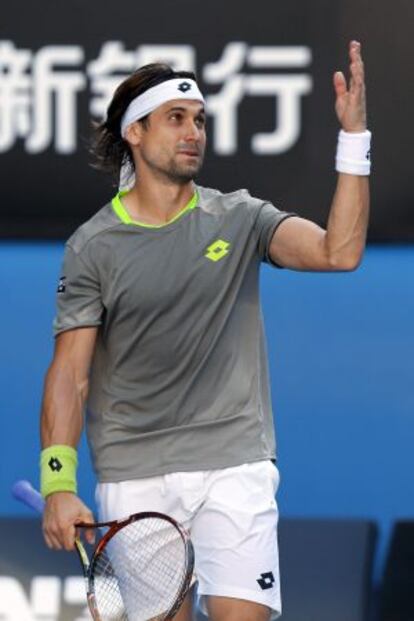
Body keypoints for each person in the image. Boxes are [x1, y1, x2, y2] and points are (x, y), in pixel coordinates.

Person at [39, 40, 370, 621]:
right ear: (135, 134)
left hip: (234, 460)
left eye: (199, 120)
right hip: (134, 472)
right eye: (175, 119)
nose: (193, 132)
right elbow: (71, 373)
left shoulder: (240, 218)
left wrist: (354, 141)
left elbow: (338, 252)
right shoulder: (92, 248)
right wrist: (57, 482)